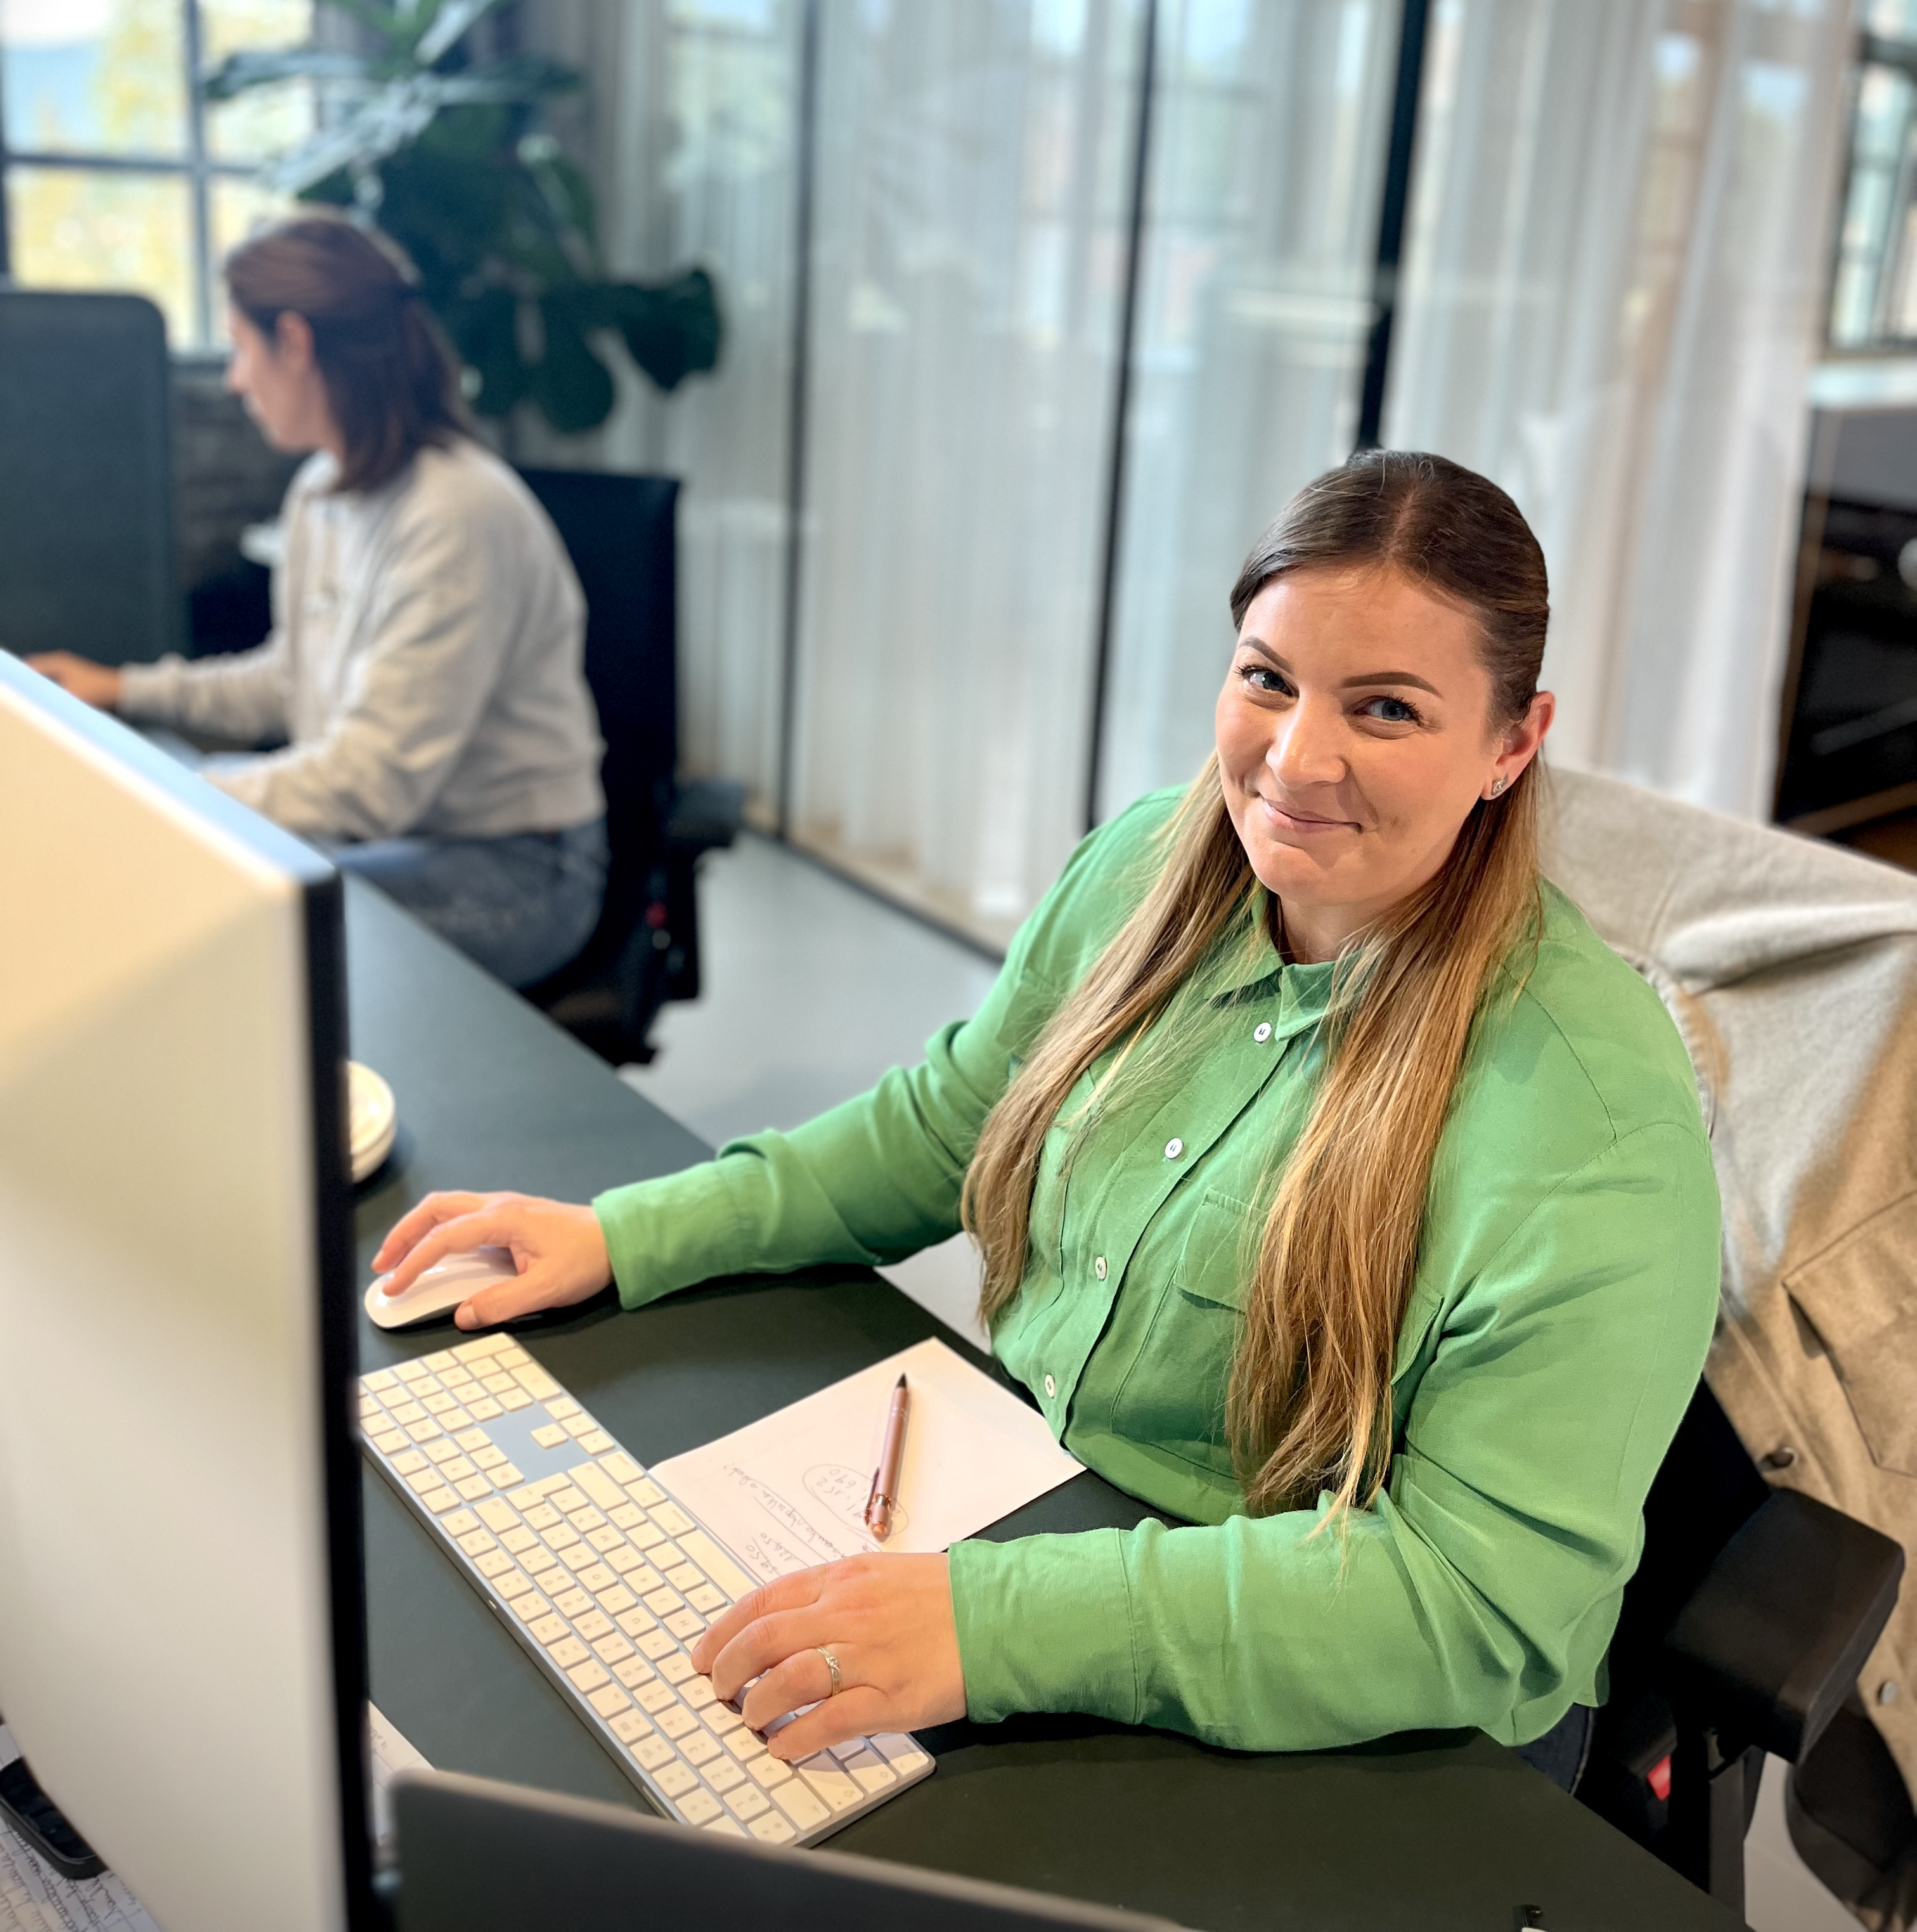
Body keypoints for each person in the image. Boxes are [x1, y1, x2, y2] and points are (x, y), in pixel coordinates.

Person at [370, 451, 1720, 1786]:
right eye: (1268, 679)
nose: (1299, 759)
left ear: (1513, 742)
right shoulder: (1153, 860)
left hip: (1382, 1722)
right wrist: (631, 1233)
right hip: (1053, 1514)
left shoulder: (1593, 1122)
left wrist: (990, 1623)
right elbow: (953, 1119)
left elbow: (1469, 1607)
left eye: (1385, 710)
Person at [30, 211, 608, 991]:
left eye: (241, 348)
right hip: (403, 838)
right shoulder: (325, 488)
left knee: (226, 918)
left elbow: (372, 783)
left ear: (296, 343)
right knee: (209, 870)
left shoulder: (456, 514)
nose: (234, 379)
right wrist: (126, 689)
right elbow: (291, 678)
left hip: (519, 870)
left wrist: (165, 805)